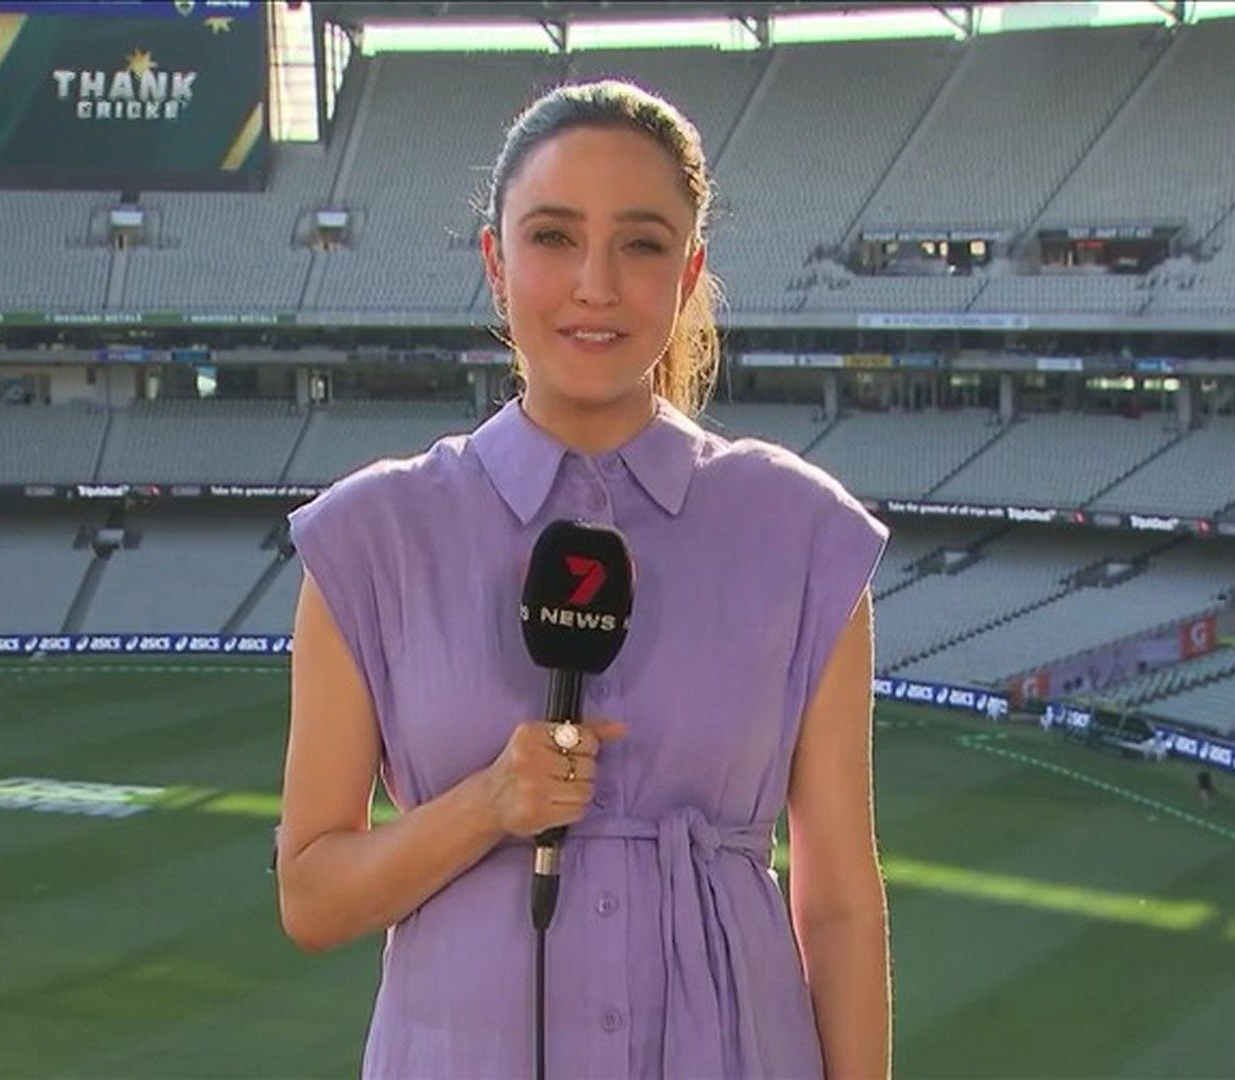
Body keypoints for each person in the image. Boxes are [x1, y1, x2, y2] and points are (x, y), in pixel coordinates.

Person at [274, 79, 892, 1079]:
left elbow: (840, 904)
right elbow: (310, 897)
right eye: (554, 237)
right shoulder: (371, 537)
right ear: (496, 262)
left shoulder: (801, 533)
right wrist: (487, 804)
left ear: (689, 273)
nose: (595, 285)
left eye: (641, 244)